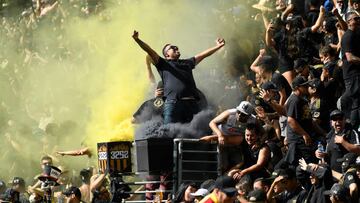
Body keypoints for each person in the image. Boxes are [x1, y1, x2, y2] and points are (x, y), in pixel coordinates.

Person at [132, 30, 225, 124]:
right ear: (166, 54)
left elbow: (203, 55)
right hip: (173, 104)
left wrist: (218, 46)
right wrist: (137, 39)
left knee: (194, 133)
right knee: (169, 132)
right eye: (172, 48)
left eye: (176, 47)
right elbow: (149, 50)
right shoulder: (163, 63)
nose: (176, 48)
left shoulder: (187, 63)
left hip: (191, 104)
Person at [202, 101, 256, 172]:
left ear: (249, 116)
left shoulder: (253, 120)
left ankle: (228, 175)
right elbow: (212, 123)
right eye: (238, 112)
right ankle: (221, 174)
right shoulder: (229, 114)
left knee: (238, 162)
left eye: (243, 114)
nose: (239, 115)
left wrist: (258, 142)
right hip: (221, 137)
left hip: (236, 141)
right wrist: (220, 135)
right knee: (222, 163)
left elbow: (261, 132)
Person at [284, 76, 318, 167]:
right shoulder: (294, 100)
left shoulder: (301, 99)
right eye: (304, 86)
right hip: (298, 141)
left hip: (302, 140)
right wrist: (304, 134)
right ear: (297, 88)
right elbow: (291, 120)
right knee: (306, 165)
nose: (307, 87)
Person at [340, 12, 360, 128]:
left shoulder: (355, 34)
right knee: (355, 104)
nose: (358, 21)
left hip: (355, 75)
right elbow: (350, 57)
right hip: (352, 75)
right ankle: (353, 129)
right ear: (348, 22)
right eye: (355, 19)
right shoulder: (348, 36)